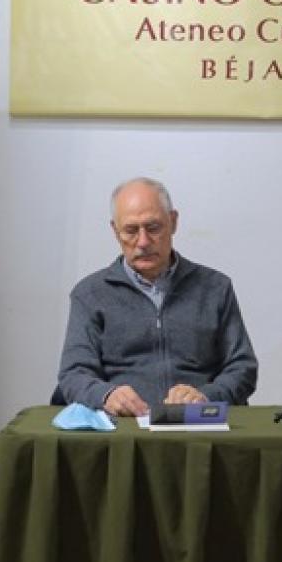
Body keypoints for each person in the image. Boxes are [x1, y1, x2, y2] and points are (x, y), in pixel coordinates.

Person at [57, 178, 258, 416]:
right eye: (131, 230)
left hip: (199, 424)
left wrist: (206, 396)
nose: (143, 242)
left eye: (153, 228)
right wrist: (107, 395)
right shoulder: (90, 294)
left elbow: (242, 367)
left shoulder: (215, 288)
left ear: (173, 222)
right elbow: (73, 375)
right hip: (124, 429)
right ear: (115, 231)